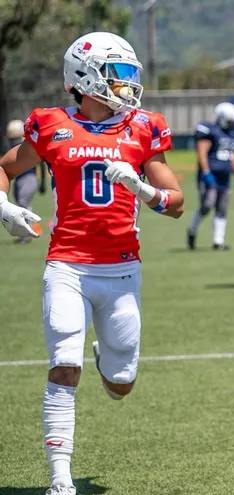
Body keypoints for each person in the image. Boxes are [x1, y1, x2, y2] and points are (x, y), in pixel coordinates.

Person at [0, 31, 182, 495]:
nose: (127, 85)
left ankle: (108, 360)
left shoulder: (143, 127)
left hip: (122, 271)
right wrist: (4, 208)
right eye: (117, 74)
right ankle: (60, 479)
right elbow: (4, 168)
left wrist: (142, 190)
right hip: (68, 266)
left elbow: (176, 202)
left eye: (128, 75)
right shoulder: (51, 124)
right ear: (85, 77)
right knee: (64, 363)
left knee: (121, 383)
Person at [186, 102, 234, 250]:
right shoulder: (210, 131)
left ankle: (218, 241)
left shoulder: (229, 134)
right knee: (207, 205)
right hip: (210, 174)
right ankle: (192, 230)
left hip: (224, 176)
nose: (232, 125)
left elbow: (230, 155)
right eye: (230, 122)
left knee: (222, 208)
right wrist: (206, 172)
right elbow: (202, 152)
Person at [6, 119, 46, 243]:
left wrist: (43, 182)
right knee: (19, 204)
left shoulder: (29, 145)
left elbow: (41, 163)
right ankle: (24, 234)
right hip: (19, 179)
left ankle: (27, 234)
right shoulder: (13, 146)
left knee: (23, 202)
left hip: (29, 177)